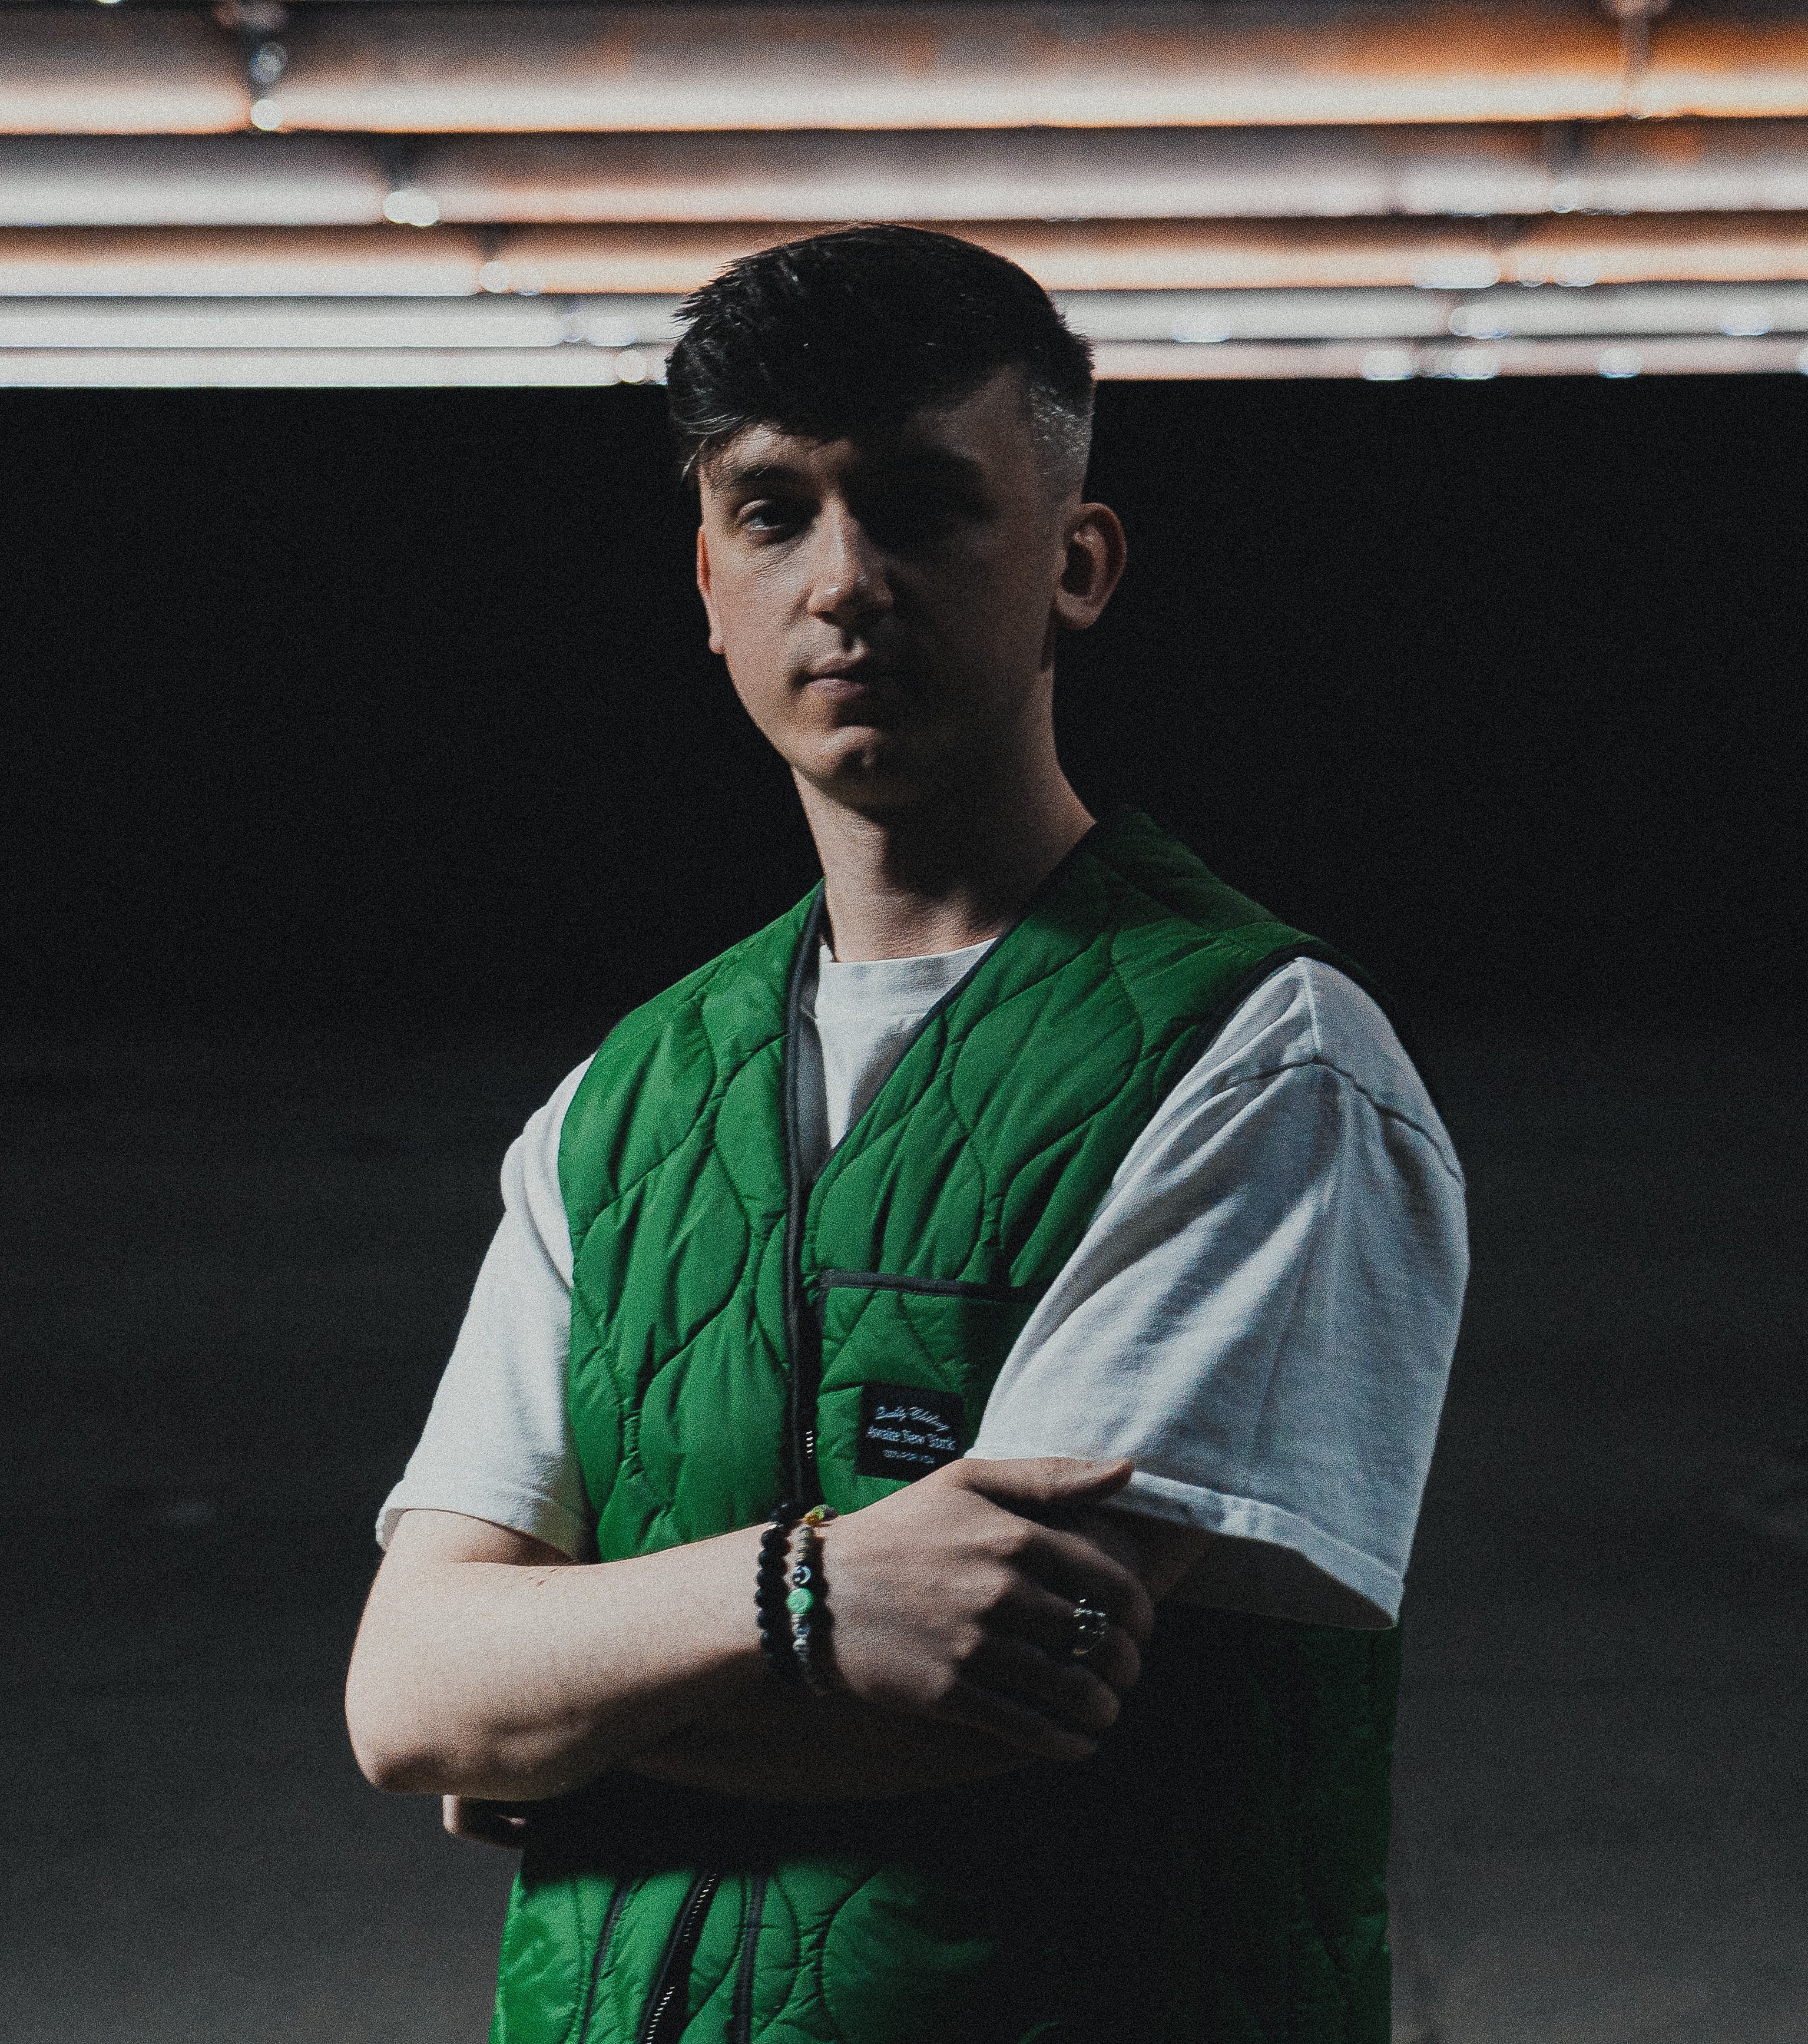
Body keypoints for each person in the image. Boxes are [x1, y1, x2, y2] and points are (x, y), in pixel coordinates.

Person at [345, 224, 1467, 2044]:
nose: (846, 580)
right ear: (709, 578)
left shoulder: (1264, 1061)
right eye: (774, 513)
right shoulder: (627, 1101)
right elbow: (408, 1695)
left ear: (1077, 562)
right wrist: (809, 1594)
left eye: (925, 507)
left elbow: (985, 1685)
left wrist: (569, 1712)